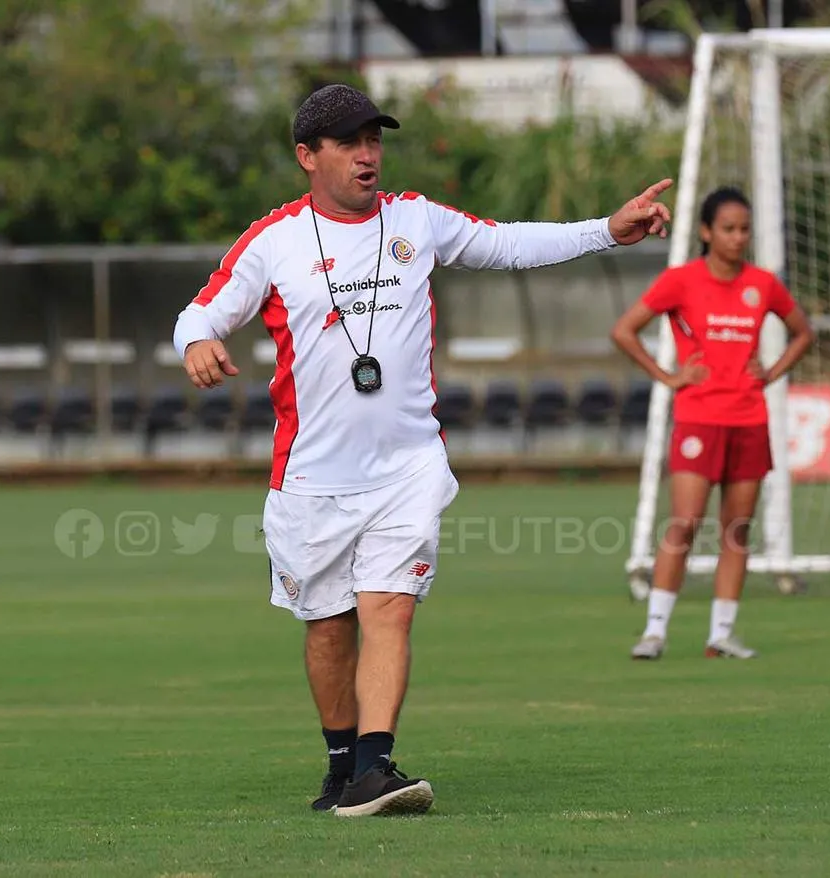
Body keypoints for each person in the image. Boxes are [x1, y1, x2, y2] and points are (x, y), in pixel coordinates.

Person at [173, 82, 674, 817]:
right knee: (328, 627)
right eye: (349, 143)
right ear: (307, 156)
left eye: (374, 140)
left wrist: (606, 229)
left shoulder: (416, 219)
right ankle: (342, 768)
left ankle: (374, 768)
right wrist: (197, 343)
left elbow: (508, 243)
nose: (367, 155)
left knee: (390, 610)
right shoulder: (274, 240)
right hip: (312, 476)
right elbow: (200, 312)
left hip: (408, 467)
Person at [610, 186, 814, 661]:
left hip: (749, 419)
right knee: (684, 523)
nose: (738, 237)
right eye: (728, 229)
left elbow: (803, 333)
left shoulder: (762, 284)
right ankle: (654, 631)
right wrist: (669, 377)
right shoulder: (682, 281)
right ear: (706, 232)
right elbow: (624, 330)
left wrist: (771, 372)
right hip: (699, 419)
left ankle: (721, 634)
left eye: (744, 229)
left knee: (736, 530)